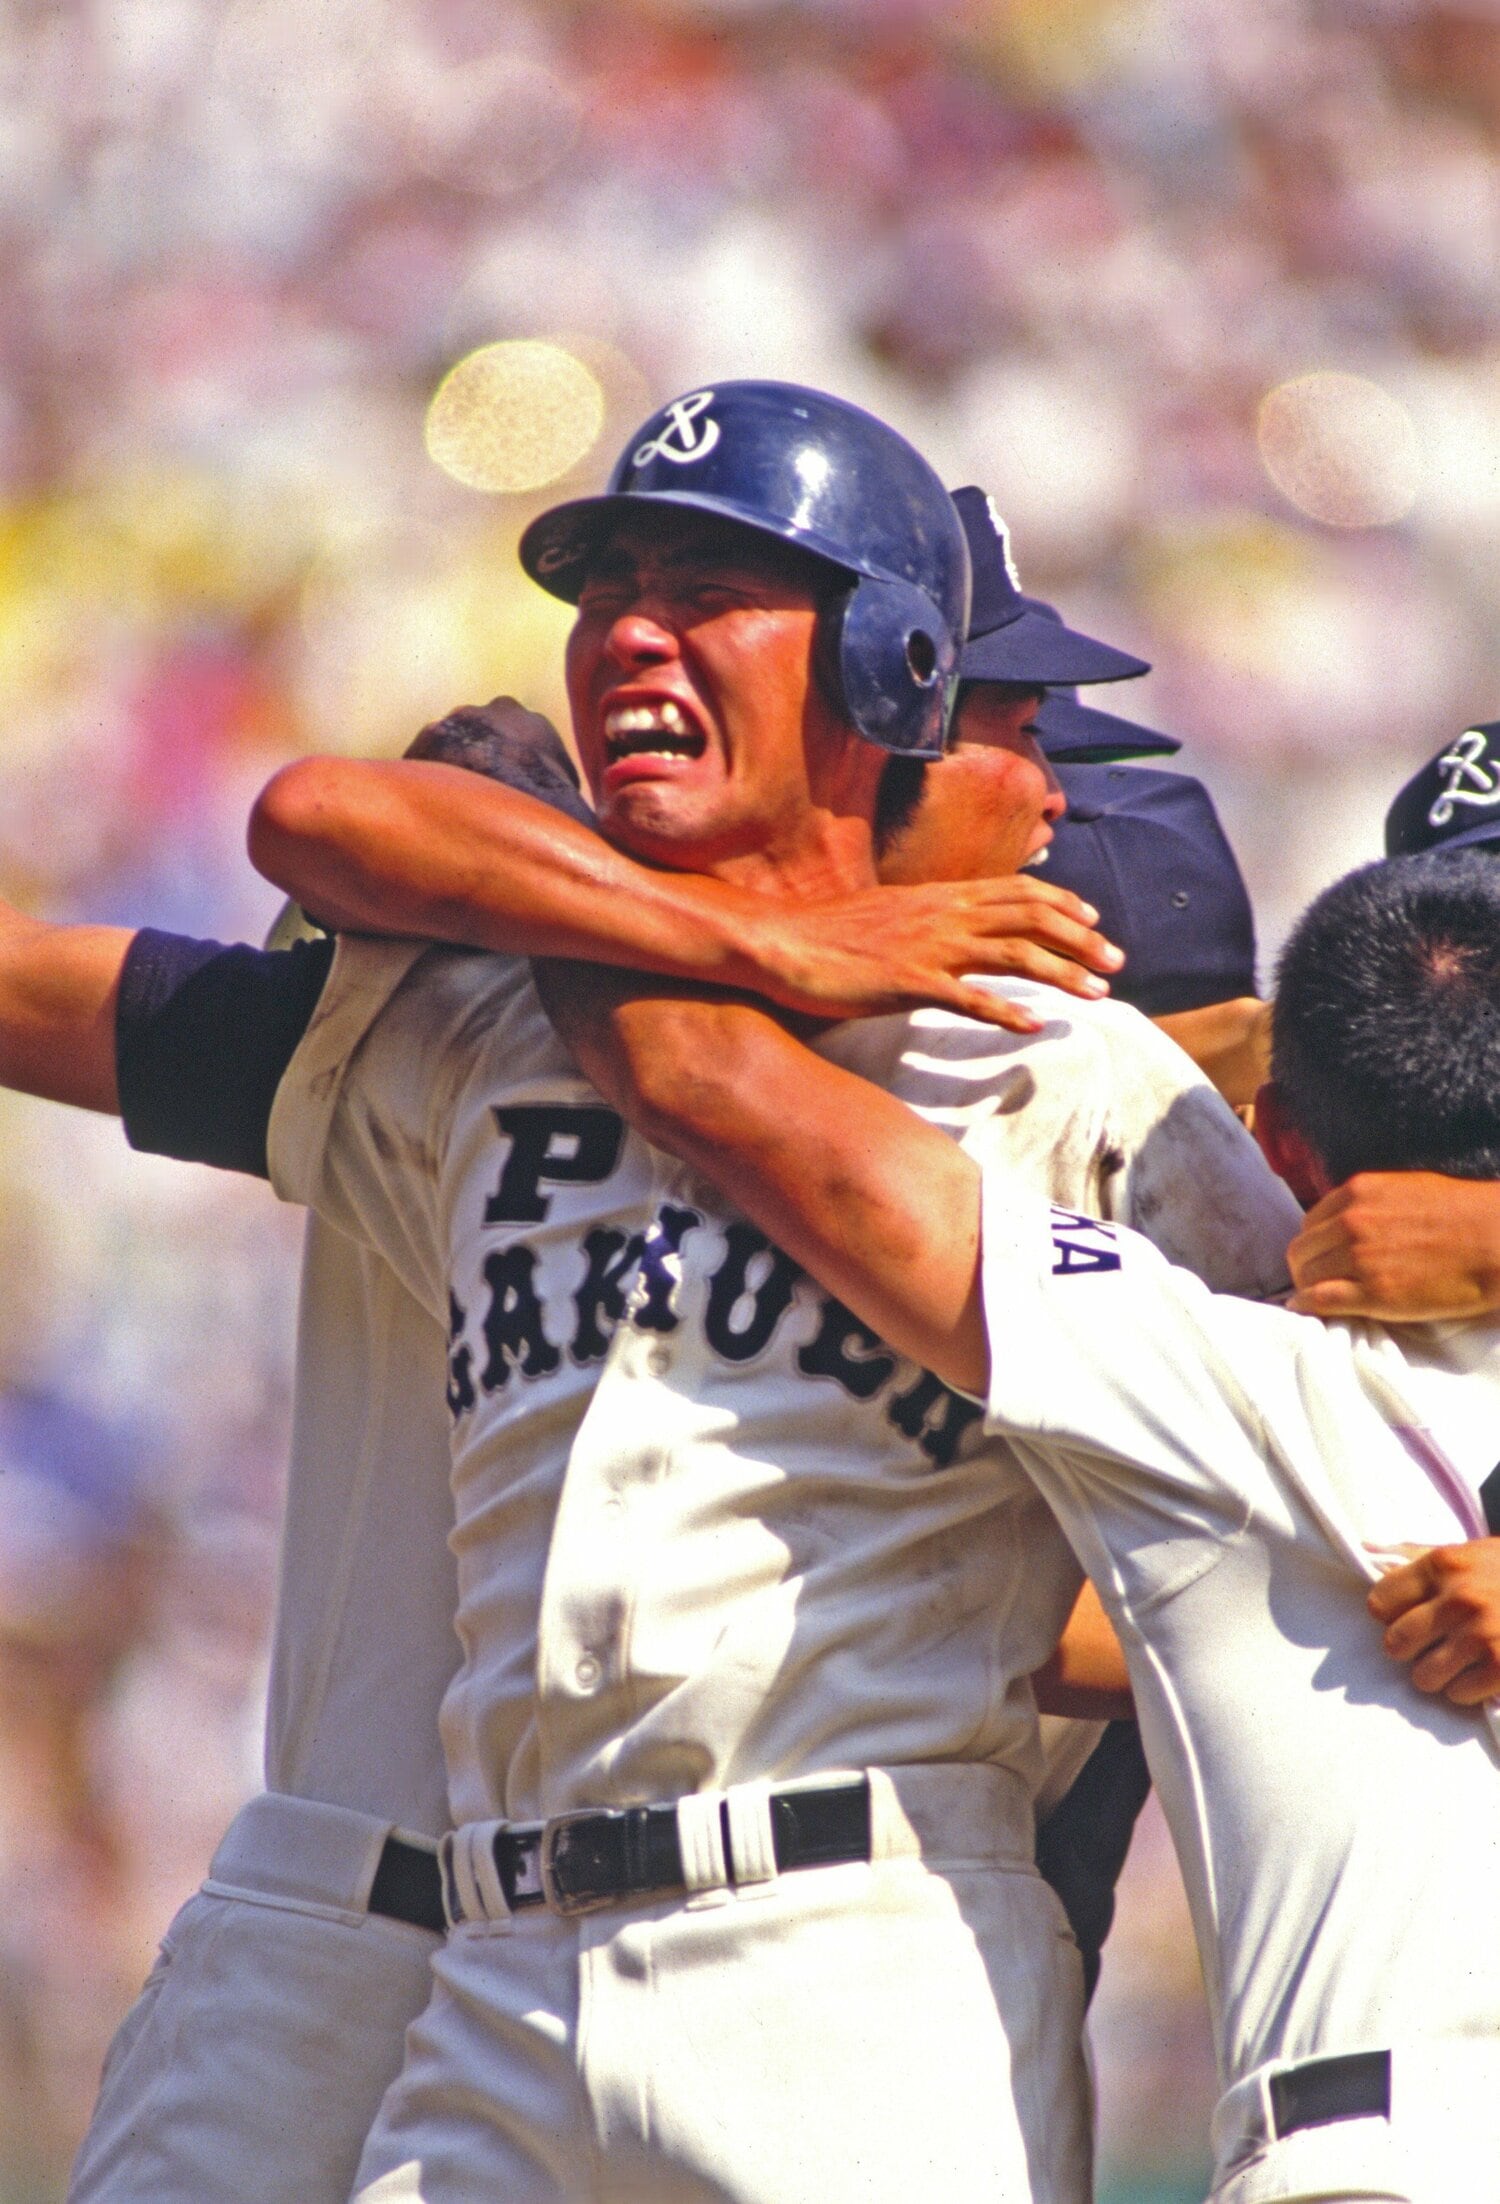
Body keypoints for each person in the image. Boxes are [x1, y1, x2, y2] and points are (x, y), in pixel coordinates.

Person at [58, 419, 1158, 2201]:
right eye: (610, 599)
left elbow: (1348, 1432)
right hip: (493, 1964)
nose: (633, 635)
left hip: (856, 1943)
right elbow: (318, 816)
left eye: (708, 594)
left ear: (887, 665)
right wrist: (752, 947)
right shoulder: (475, 1028)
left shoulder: (1072, 1083)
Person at [551, 847, 1500, 2202]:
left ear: (1281, 1143)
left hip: (1374, 2157)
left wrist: (634, 884)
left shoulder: (1219, 1379)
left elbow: (696, 1074)